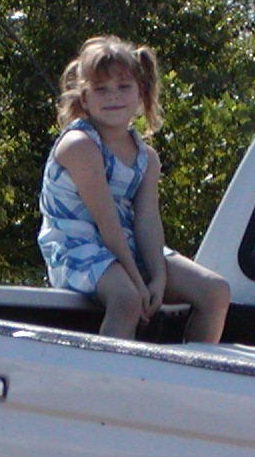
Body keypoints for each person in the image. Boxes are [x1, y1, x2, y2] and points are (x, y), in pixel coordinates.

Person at [38, 36, 230, 342]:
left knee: (216, 292)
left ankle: (193, 381)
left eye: (124, 86)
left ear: (141, 92)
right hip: (77, 247)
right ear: (85, 99)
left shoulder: (146, 158)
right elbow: (106, 223)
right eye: (101, 89)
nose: (113, 96)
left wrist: (158, 277)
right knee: (127, 300)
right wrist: (138, 284)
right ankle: (109, 383)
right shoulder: (81, 145)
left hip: (126, 247)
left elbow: (147, 222)